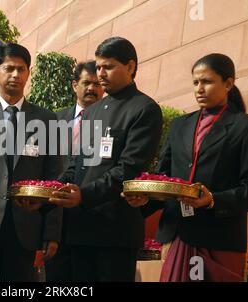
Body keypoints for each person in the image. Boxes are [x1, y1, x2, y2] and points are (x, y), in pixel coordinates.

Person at [124, 53, 248, 282]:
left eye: (207, 82)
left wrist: (213, 199)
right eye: (195, 82)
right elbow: (164, 177)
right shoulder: (180, 125)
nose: (199, 89)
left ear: (229, 83)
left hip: (219, 239)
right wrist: (145, 199)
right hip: (177, 235)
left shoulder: (247, 127)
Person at [49, 37, 163, 282]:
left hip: (115, 232)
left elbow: (129, 170)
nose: (101, 73)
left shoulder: (144, 109)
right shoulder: (92, 112)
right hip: (80, 229)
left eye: (108, 67)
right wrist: (52, 193)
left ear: (130, 67)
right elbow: (77, 165)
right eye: (99, 67)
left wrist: (84, 195)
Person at [0, 43, 63, 282]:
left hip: (26, 225)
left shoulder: (47, 120)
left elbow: (54, 178)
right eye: (9, 68)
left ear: (28, 73)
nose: (15, 75)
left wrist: (51, 231)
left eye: (21, 69)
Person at [46, 61, 104, 281]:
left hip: (91, 215)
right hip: (56, 215)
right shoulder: (54, 119)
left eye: (97, 84)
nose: (92, 88)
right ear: (74, 85)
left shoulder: (109, 120)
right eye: (87, 82)